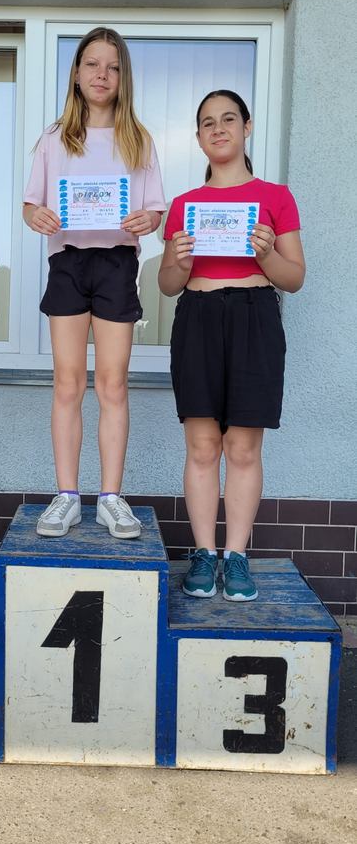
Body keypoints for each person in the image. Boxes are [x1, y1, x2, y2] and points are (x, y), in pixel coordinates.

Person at [159, 90, 305, 601]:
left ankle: (236, 556)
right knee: (202, 446)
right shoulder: (184, 205)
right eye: (207, 123)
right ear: (198, 138)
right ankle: (204, 553)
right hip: (197, 316)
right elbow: (168, 285)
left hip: (254, 315)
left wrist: (265, 255)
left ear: (247, 127)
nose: (218, 129)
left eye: (228, 119)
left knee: (243, 447)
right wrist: (179, 261)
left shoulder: (275, 196)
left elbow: (294, 278)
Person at [23, 27, 165, 539]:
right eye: (92, 64)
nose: (102, 74)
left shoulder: (138, 139)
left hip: (117, 264)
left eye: (113, 66)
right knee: (67, 382)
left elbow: (155, 210)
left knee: (112, 383)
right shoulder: (54, 138)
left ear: (123, 77)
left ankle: (110, 497)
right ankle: (66, 495)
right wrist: (37, 217)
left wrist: (148, 220)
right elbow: (31, 205)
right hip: (68, 262)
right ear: (77, 74)